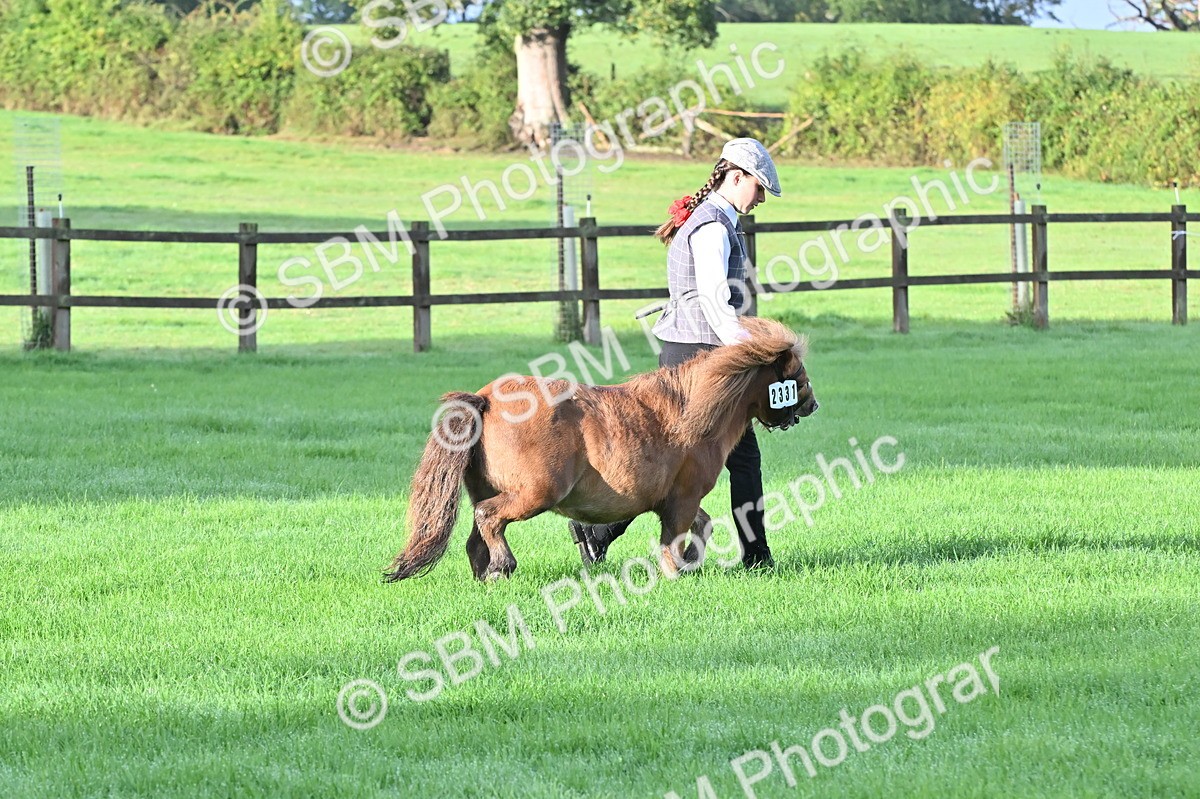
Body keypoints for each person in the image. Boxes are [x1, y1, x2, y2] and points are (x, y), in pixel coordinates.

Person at [568, 137, 782, 570]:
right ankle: (757, 558)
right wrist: (751, 352)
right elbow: (713, 300)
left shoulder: (717, 220)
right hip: (701, 356)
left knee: (673, 458)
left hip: (694, 352)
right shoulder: (712, 227)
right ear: (735, 176)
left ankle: (600, 532)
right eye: (758, 187)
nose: (760, 198)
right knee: (721, 459)